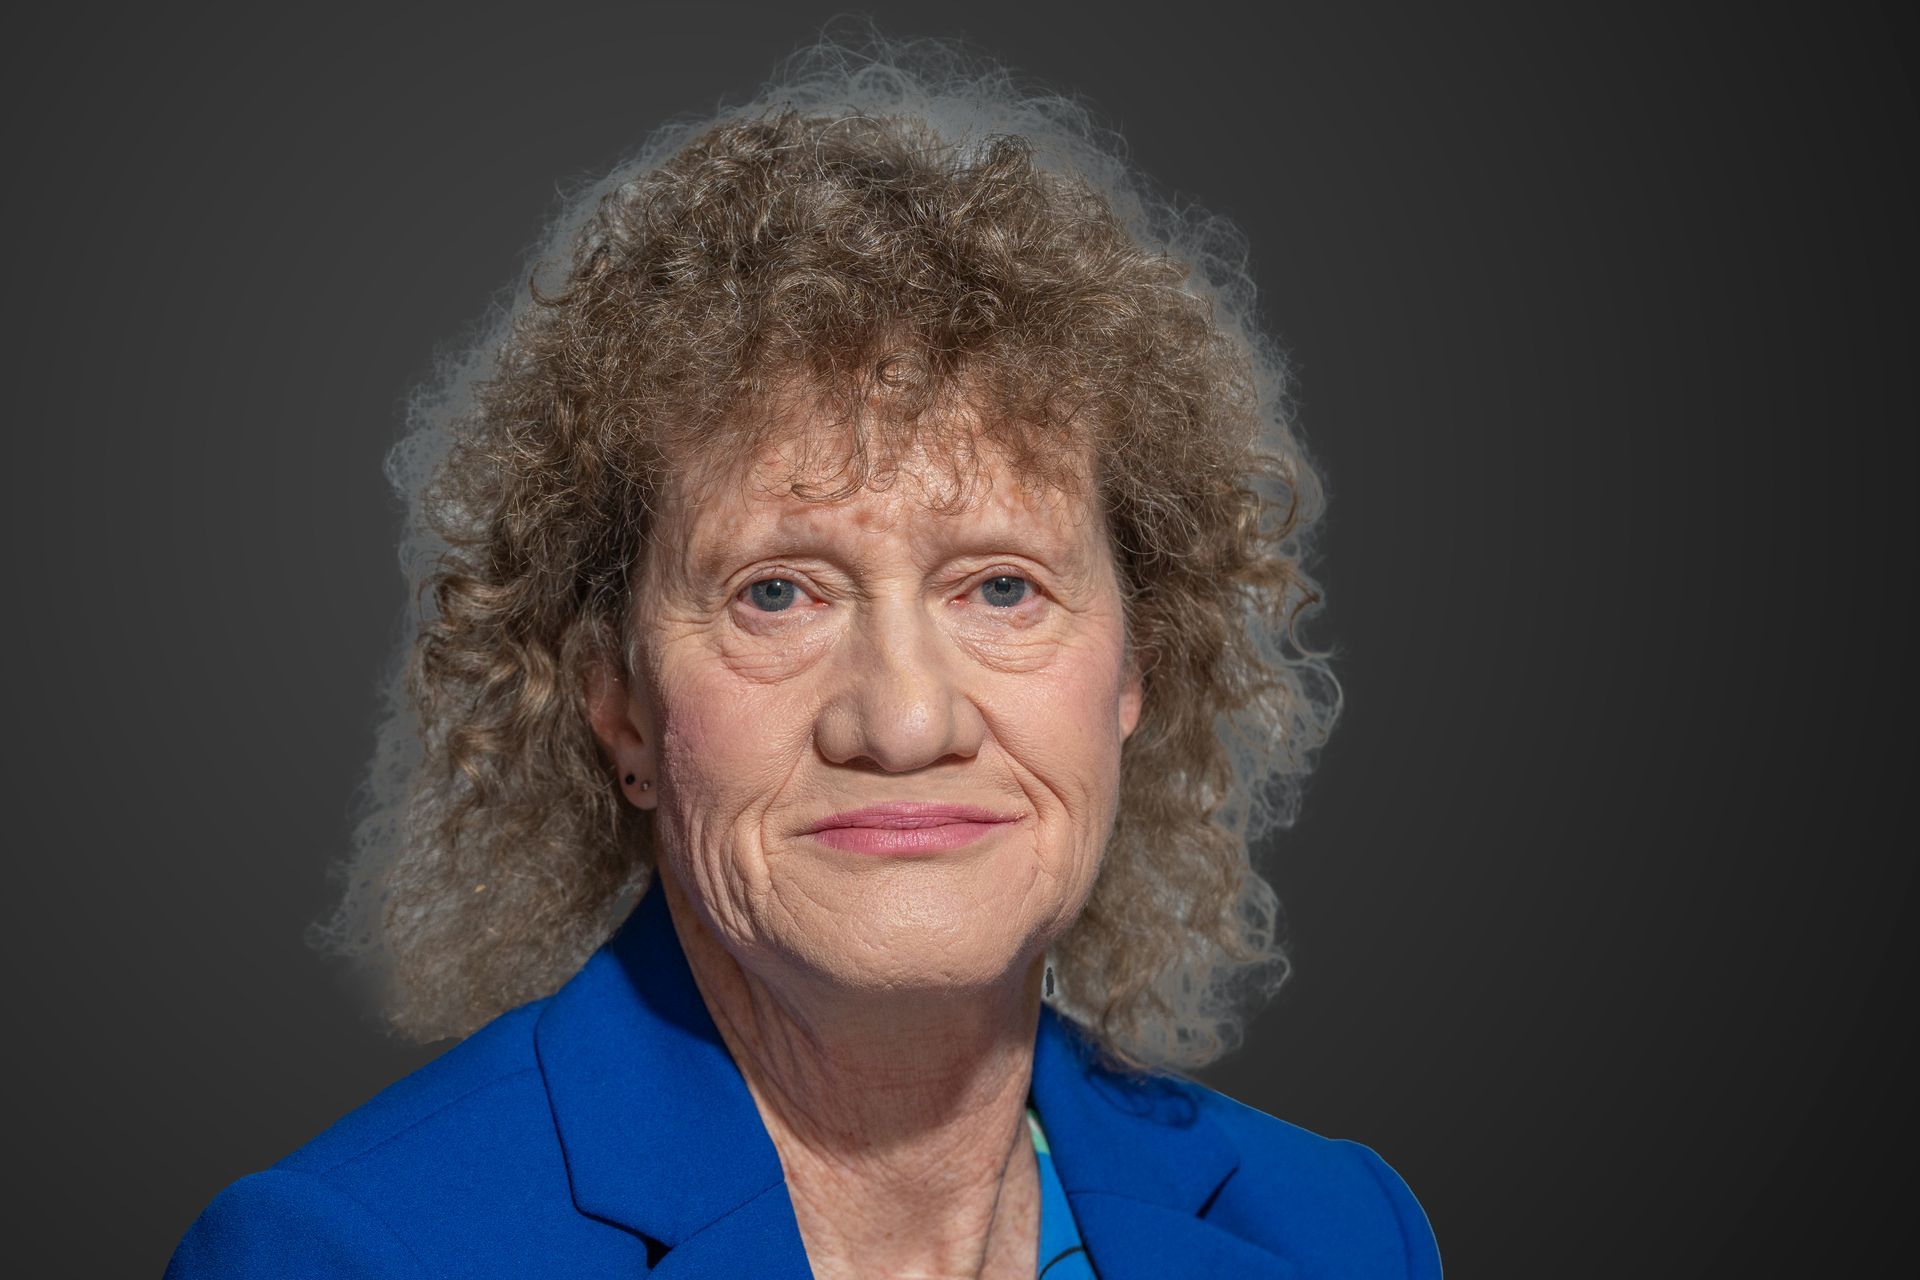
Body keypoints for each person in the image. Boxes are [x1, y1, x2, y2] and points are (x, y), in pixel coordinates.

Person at [165, 31, 1441, 1280]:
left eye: (1002, 587)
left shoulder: (1339, 1236)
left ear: (1131, 669)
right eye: (776, 593)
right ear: (616, 700)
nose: (905, 722)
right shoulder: (346, 1254)